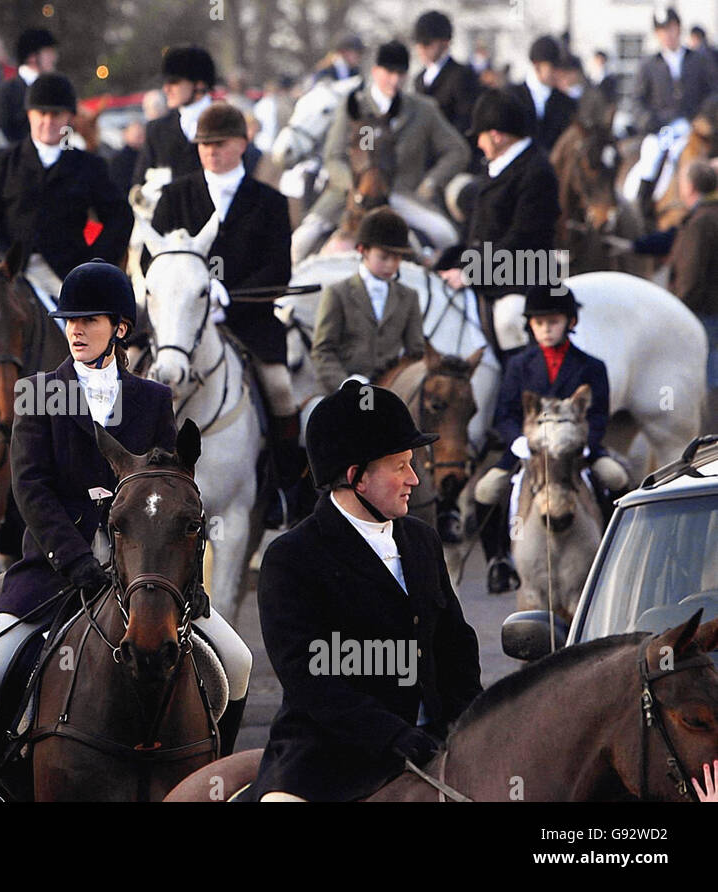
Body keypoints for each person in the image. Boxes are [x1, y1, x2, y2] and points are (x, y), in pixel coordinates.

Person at [0, 260, 254, 801]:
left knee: (237, 662)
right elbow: (31, 490)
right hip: (56, 568)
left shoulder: (151, 399)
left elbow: (169, 481)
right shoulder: (38, 393)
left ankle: (213, 776)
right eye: (69, 320)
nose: (75, 330)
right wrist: (76, 563)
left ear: (120, 327)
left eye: (88, 320)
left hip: (149, 567)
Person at [250, 378, 482, 801]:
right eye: (400, 467)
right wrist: (392, 734)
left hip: (435, 742)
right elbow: (310, 679)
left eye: (413, 463)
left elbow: (455, 645)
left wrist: (476, 720)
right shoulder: (292, 558)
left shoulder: (422, 540)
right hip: (328, 759)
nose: (414, 478)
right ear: (356, 477)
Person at [149, 102, 299, 516]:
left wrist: (227, 293)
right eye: (204, 144)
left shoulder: (268, 201)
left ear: (242, 143)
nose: (211, 151)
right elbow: (152, 260)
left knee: (282, 389)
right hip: (178, 327)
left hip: (248, 322)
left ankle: (283, 488)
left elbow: (279, 268)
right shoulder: (175, 195)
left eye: (221, 143)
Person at [473, 284, 627, 594]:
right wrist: (517, 440)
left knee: (616, 477)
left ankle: (617, 554)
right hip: (530, 449)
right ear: (530, 325)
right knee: (486, 489)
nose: (546, 329)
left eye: (553, 322)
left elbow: (598, 415)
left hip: (577, 449)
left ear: (570, 322)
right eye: (539, 323)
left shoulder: (591, 367)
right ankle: (498, 560)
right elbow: (505, 413)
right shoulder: (518, 366)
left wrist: (586, 442)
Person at [298, 41, 469, 261]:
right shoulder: (354, 106)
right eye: (389, 72)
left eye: (401, 73)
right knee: (300, 241)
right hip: (348, 198)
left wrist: (431, 182)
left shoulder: (424, 109)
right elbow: (334, 156)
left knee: (447, 236)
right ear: (375, 70)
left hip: (402, 195)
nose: (395, 80)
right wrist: (356, 186)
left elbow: (458, 150)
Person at [0, 73, 131, 304]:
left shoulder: (88, 165)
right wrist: (3, 260)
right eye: (41, 113)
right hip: (10, 273)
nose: (48, 121)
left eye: (56, 114)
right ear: (29, 114)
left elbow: (120, 216)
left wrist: (94, 263)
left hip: (66, 273)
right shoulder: (1, 162)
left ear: (69, 117)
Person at [435, 90, 560, 361]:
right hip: (490, 267)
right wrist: (449, 262)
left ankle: (519, 390)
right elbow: (478, 233)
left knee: (508, 320)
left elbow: (522, 238)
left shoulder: (537, 173)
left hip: (523, 273)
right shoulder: (497, 166)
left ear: (497, 135)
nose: (477, 144)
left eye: (480, 136)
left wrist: (470, 274)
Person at [311, 208, 425, 395]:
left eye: (397, 258)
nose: (391, 265)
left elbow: (416, 353)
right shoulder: (338, 293)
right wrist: (346, 385)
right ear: (363, 250)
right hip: (344, 392)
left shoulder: (409, 296)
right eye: (384, 257)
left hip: (389, 393)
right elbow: (322, 351)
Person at [666, 160, 718, 424]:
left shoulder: (700, 222)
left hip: (703, 313)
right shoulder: (707, 216)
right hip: (710, 310)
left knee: (709, 380)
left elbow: (691, 275)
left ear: (690, 186)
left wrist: (676, 310)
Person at [131, 45, 217, 186]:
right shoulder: (156, 129)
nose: (166, 89)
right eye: (165, 82)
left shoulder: (225, 122)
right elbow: (139, 183)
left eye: (174, 82)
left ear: (199, 84)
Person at [636, 7, 718, 135]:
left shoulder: (698, 60)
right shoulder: (649, 65)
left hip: (694, 129)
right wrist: (648, 120)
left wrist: (703, 115)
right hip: (660, 130)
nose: (667, 34)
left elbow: (713, 92)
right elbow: (637, 100)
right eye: (662, 30)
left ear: (678, 28)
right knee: (648, 154)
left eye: (670, 28)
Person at [413, 10, 480, 139]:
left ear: (445, 43)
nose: (421, 48)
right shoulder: (419, 79)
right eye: (418, 43)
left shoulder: (462, 76)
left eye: (427, 43)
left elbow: (466, 122)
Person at [506, 36, 577, 153]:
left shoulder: (567, 103)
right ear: (537, 66)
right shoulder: (511, 97)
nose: (559, 72)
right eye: (554, 67)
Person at [0, 28, 57, 144]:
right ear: (32, 57)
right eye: (48, 53)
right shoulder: (6, 91)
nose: (54, 58)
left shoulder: (57, 88)